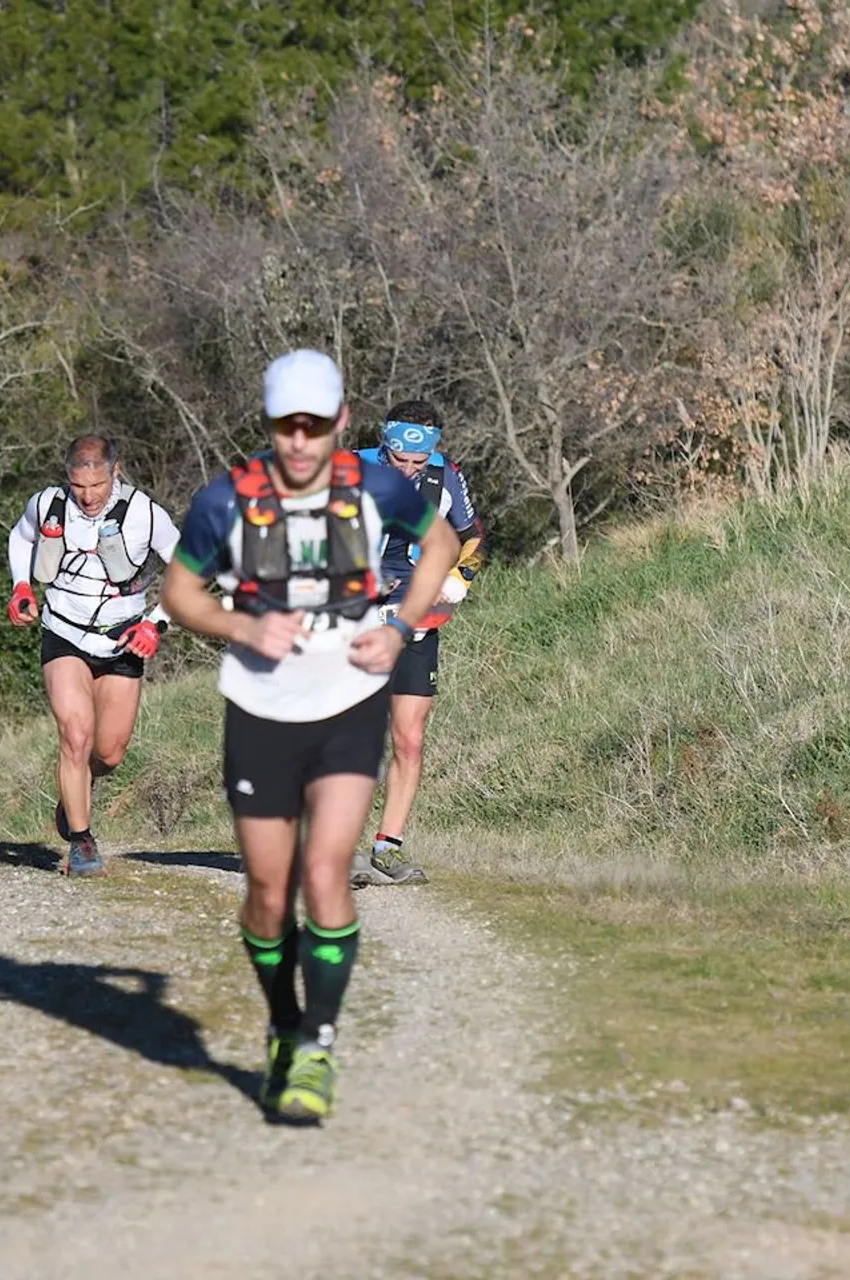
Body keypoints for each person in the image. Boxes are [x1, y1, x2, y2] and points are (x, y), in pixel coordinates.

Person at [159, 350, 460, 1123]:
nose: (299, 441)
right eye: (286, 425)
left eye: (315, 426)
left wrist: (401, 626)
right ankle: (284, 1026)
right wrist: (240, 626)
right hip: (259, 706)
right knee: (268, 894)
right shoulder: (228, 498)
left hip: (348, 698)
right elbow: (180, 592)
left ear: (341, 422)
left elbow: (442, 544)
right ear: (268, 423)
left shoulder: (374, 486)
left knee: (325, 873)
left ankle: (318, 1046)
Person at [6, 435, 180, 876]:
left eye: (97, 486)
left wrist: (156, 623)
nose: (87, 497)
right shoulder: (47, 504)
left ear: (115, 472)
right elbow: (20, 537)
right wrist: (21, 585)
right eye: (78, 486)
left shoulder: (145, 514)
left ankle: (76, 791)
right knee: (76, 734)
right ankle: (81, 842)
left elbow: (190, 568)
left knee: (109, 752)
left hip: (123, 639)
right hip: (63, 632)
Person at [352, 401, 486, 887]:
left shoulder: (446, 476)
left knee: (408, 737)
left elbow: (474, 538)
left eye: (418, 461)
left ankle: (386, 848)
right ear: (383, 444)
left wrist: (460, 578)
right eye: (398, 459)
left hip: (415, 617)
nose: (408, 470)